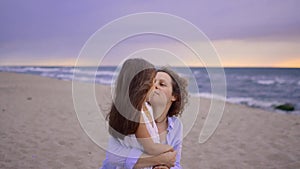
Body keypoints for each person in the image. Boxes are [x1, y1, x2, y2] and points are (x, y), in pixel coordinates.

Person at [101, 65, 188, 169]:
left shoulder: (176, 125)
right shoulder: (131, 115)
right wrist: (159, 160)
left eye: (162, 84)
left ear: (174, 96)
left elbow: (175, 163)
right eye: (152, 82)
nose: (155, 86)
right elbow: (114, 157)